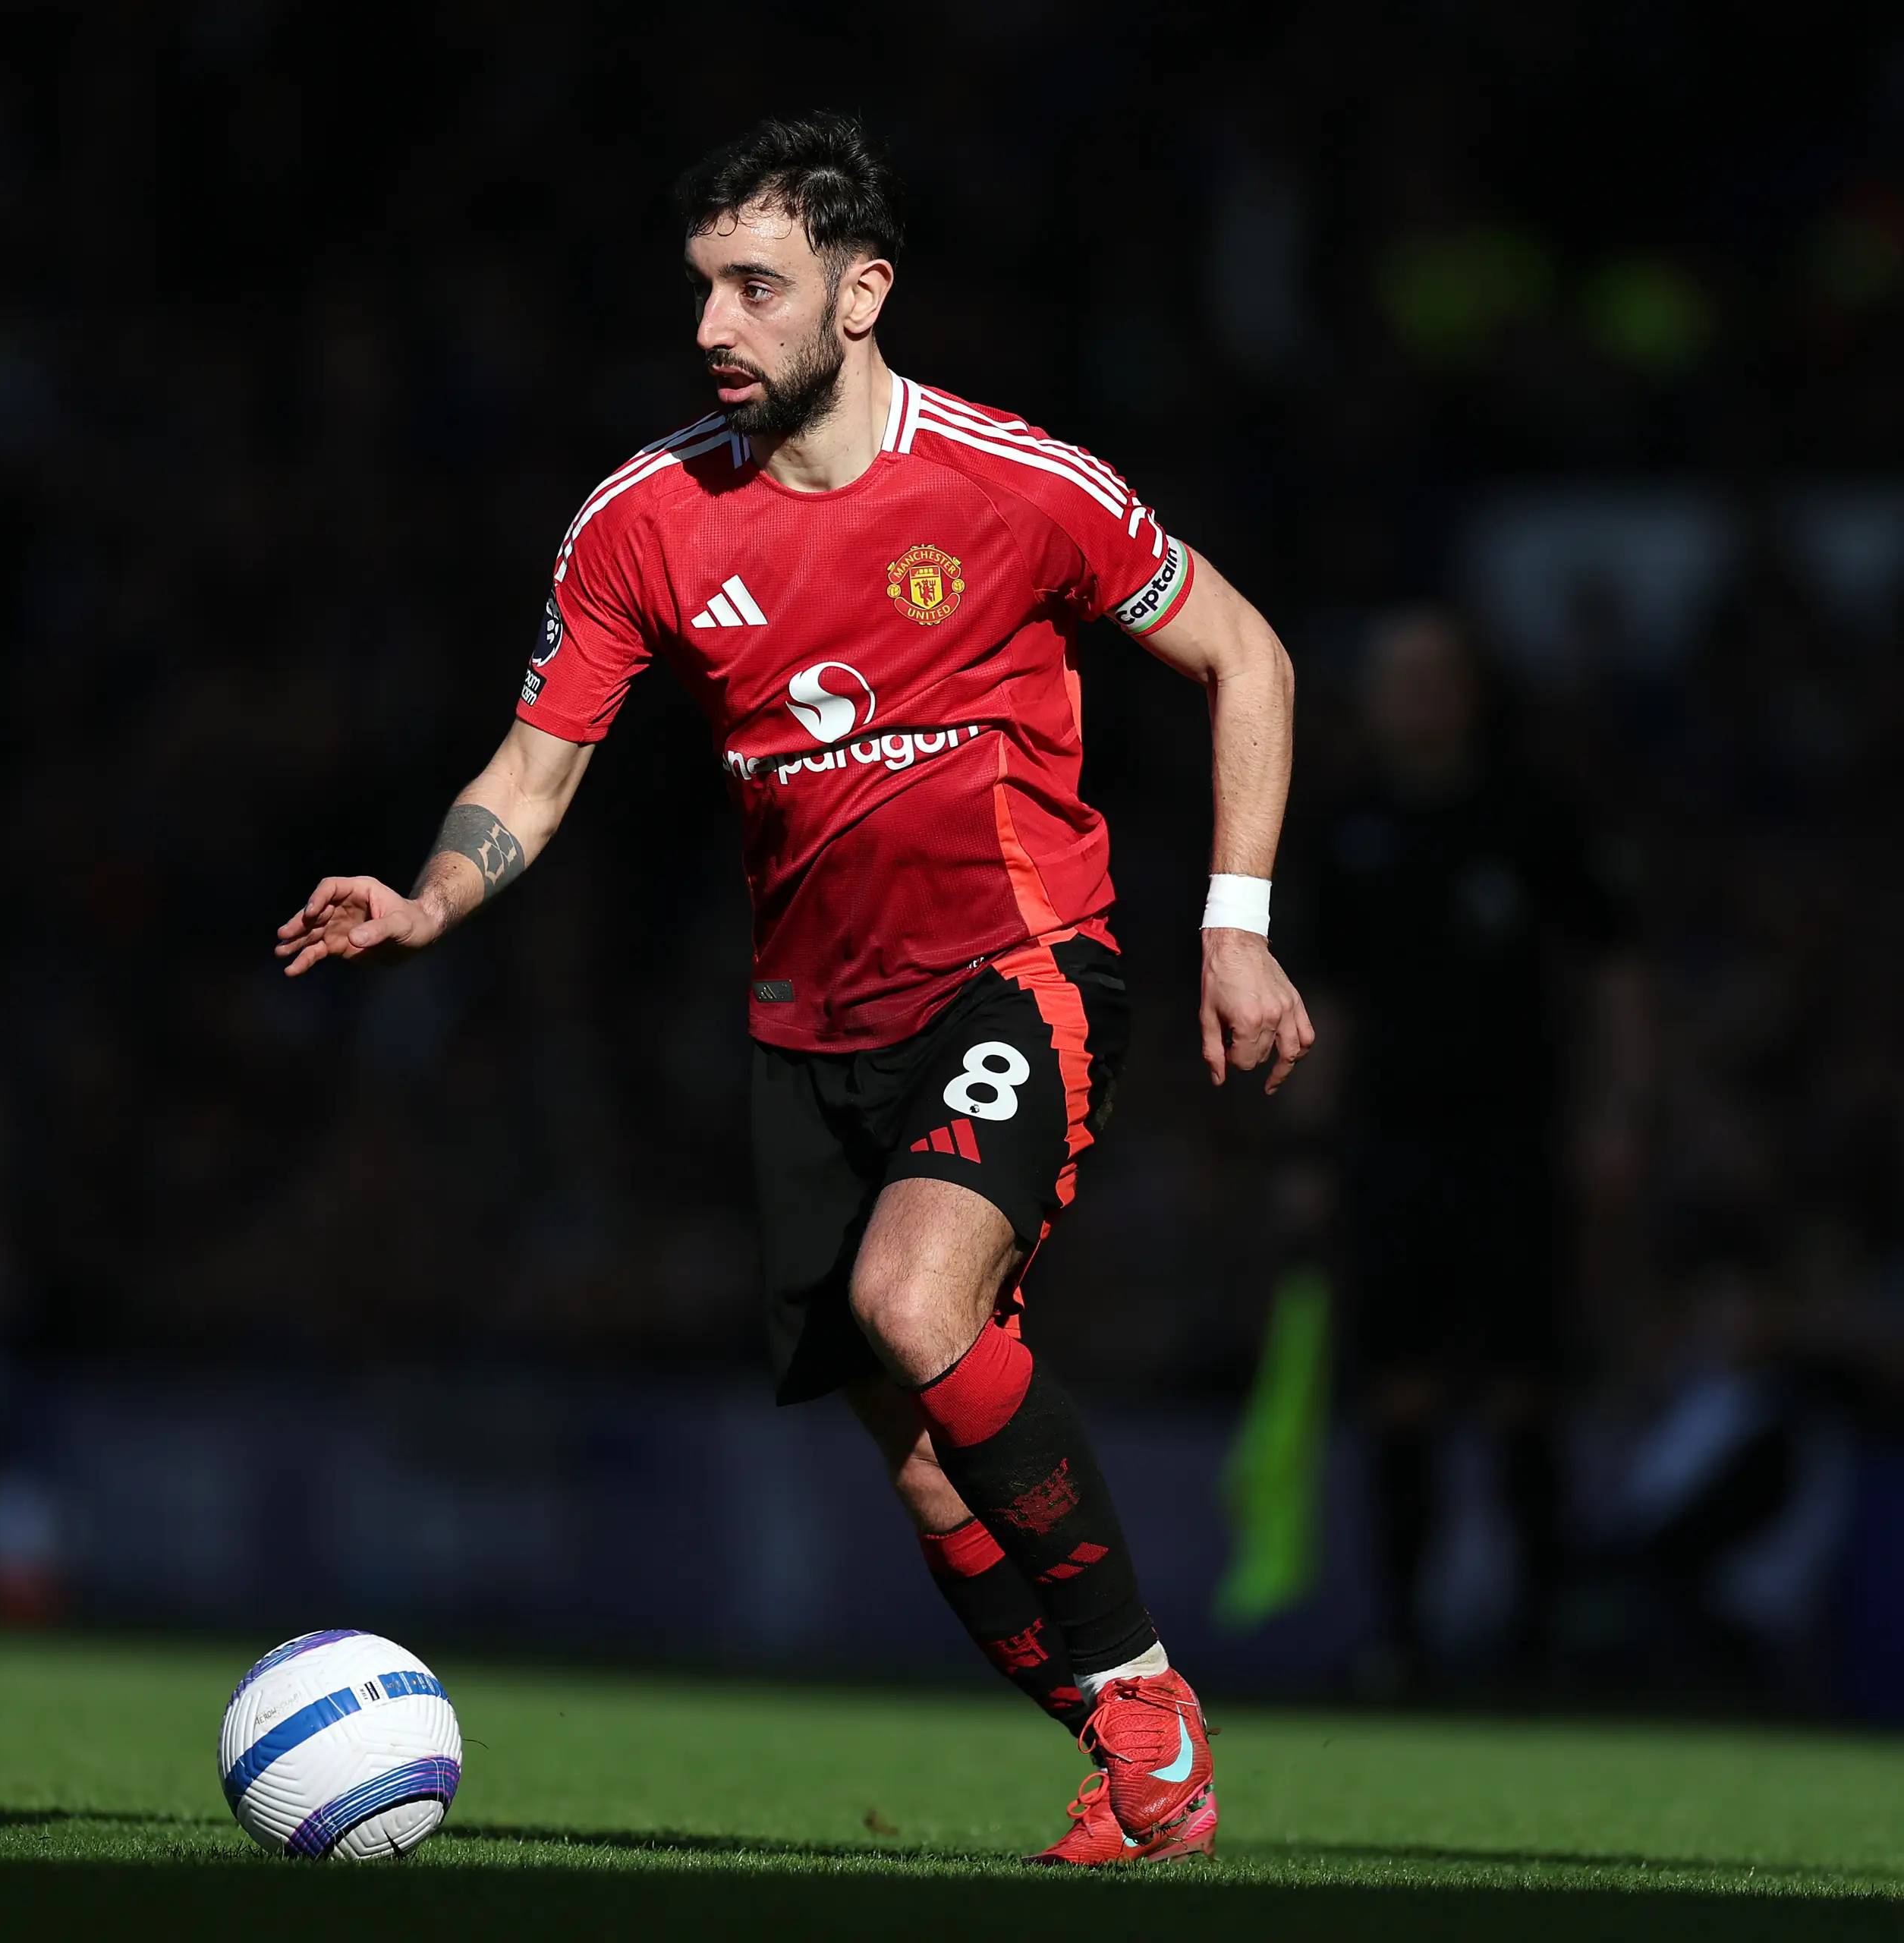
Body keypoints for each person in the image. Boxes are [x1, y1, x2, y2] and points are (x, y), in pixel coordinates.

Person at [276, 114, 1312, 1866]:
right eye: (702, 288)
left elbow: (1248, 650)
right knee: (920, 1461)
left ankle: (1147, 1688)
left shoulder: (1015, 481)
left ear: (862, 290)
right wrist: (434, 893)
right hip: (808, 1031)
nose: (714, 324)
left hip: (1023, 962)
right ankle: (1137, 1751)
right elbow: (533, 771)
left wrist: (1233, 920)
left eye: (755, 285)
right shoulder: (646, 521)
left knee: (920, 1299)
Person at [1307, 609, 1635, 1693]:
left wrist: (1612, 1115)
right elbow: (1329, 1007)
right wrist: (1305, 1150)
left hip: (1517, 1139)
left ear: (1474, 691)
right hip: (1393, 1146)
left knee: (1522, 1388)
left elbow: (1615, 971)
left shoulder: (1532, 817)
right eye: (1399, 679)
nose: (1420, 699)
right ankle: (1399, 1638)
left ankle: (1535, 1638)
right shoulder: (1348, 829)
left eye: (1438, 677)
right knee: (1397, 1391)